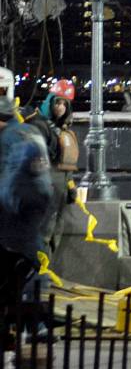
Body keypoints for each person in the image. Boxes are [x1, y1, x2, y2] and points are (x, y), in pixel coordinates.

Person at [0, 119, 53, 312]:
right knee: (30, 258)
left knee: (27, 260)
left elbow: (10, 176)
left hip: (18, 208)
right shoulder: (27, 132)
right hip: (33, 205)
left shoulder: (10, 138)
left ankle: (31, 318)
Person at [23, 79, 79, 254]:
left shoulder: (61, 128)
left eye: (64, 104)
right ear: (51, 102)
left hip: (59, 188)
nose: (60, 107)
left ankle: (44, 269)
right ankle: (36, 272)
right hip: (46, 187)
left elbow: (65, 162)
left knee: (54, 229)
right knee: (43, 231)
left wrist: (70, 185)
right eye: (58, 103)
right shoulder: (39, 125)